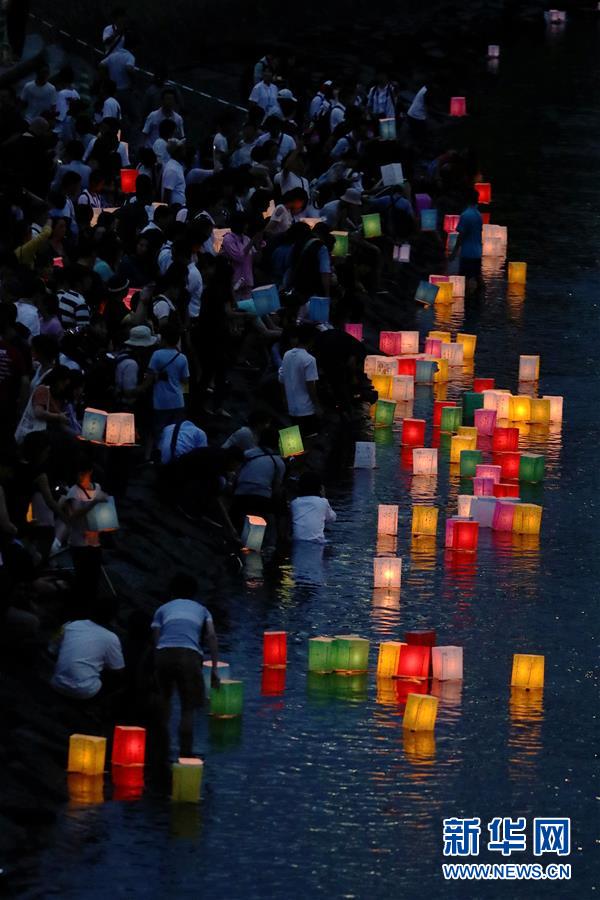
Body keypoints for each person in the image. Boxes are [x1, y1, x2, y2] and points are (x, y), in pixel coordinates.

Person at [152, 572, 220, 758]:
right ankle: (186, 754)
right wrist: (214, 669)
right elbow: (211, 636)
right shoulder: (203, 610)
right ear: (194, 593)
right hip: (189, 656)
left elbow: (156, 639)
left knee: (164, 701)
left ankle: (160, 750)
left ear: (172, 591)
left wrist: (156, 663)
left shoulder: (162, 609)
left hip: (163, 654)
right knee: (188, 708)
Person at [51, 597, 125, 700]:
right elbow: (118, 669)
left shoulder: (72, 624)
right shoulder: (111, 638)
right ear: (113, 618)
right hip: (85, 691)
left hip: (56, 683)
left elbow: (52, 649)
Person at [63, 456, 110, 597]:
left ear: (90, 472)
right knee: (81, 580)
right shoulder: (73, 491)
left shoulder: (98, 488)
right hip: (78, 543)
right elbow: (73, 515)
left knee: (93, 579)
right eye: (78, 474)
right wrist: (94, 502)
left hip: (94, 542)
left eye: (83, 474)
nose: (80, 477)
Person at [147, 323, 189, 437]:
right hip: (178, 401)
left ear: (164, 339)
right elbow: (185, 381)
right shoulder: (182, 357)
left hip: (160, 401)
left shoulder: (156, 355)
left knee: (158, 432)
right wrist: (184, 396)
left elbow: (149, 377)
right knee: (175, 433)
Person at [278, 326, 320, 436]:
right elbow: (310, 385)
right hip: (306, 408)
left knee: (293, 438)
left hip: (291, 406)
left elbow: (281, 378)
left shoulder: (287, 355)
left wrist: (284, 398)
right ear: (312, 341)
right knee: (310, 436)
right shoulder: (310, 359)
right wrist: (317, 405)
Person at [450, 188, 483, 295]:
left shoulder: (465, 215)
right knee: (477, 278)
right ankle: (480, 300)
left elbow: (461, 236)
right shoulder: (478, 215)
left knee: (464, 280)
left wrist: (454, 252)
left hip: (467, 253)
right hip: (477, 252)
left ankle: (467, 301)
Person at [290, 471, 336, 542]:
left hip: (297, 541)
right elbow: (332, 518)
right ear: (320, 488)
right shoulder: (323, 502)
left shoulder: (295, 503)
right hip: (316, 542)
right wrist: (324, 496)